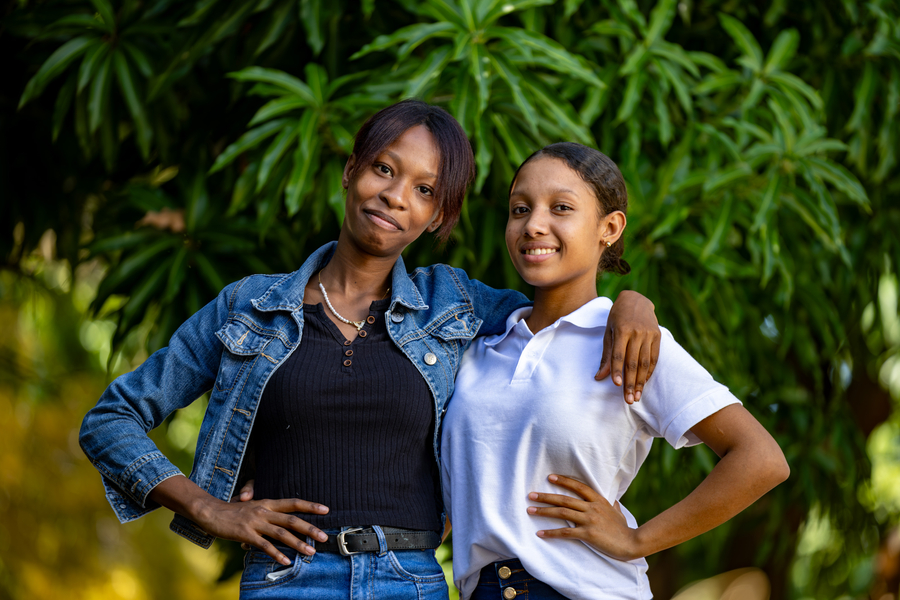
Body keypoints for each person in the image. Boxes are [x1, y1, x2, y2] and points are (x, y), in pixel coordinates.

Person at [79, 102, 661, 600]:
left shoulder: (453, 305)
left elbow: (562, 307)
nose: (395, 196)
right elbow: (110, 420)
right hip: (287, 580)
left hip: (410, 581)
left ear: (437, 215)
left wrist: (630, 302)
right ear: (350, 171)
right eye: (383, 169)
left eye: (425, 189)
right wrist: (209, 508)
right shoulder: (248, 307)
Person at [440, 143, 790, 600]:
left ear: (609, 227)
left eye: (561, 207)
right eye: (520, 209)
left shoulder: (629, 342)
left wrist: (635, 540)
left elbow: (761, 460)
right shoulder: (476, 349)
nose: (534, 225)